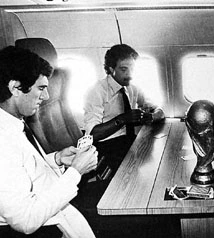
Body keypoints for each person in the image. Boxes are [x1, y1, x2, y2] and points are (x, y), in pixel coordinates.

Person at [0, 46, 98, 237]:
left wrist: (57, 159)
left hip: (52, 212)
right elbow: (25, 221)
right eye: (41, 88)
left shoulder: (15, 122)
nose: (46, 97)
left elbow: (24, 167)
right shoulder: (2, 141)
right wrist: (75, 172)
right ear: (15, 88)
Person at [83, 44, 165, 173]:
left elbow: (159, 110)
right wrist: (122, 119)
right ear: (111, 69)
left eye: (132, 69)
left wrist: (151, 116)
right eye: (123, 69)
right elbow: (93, 134)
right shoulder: (97, 91)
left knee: (156, 160)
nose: (129, 74)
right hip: (107, 146)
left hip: (129, 141)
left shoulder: (132, 87)